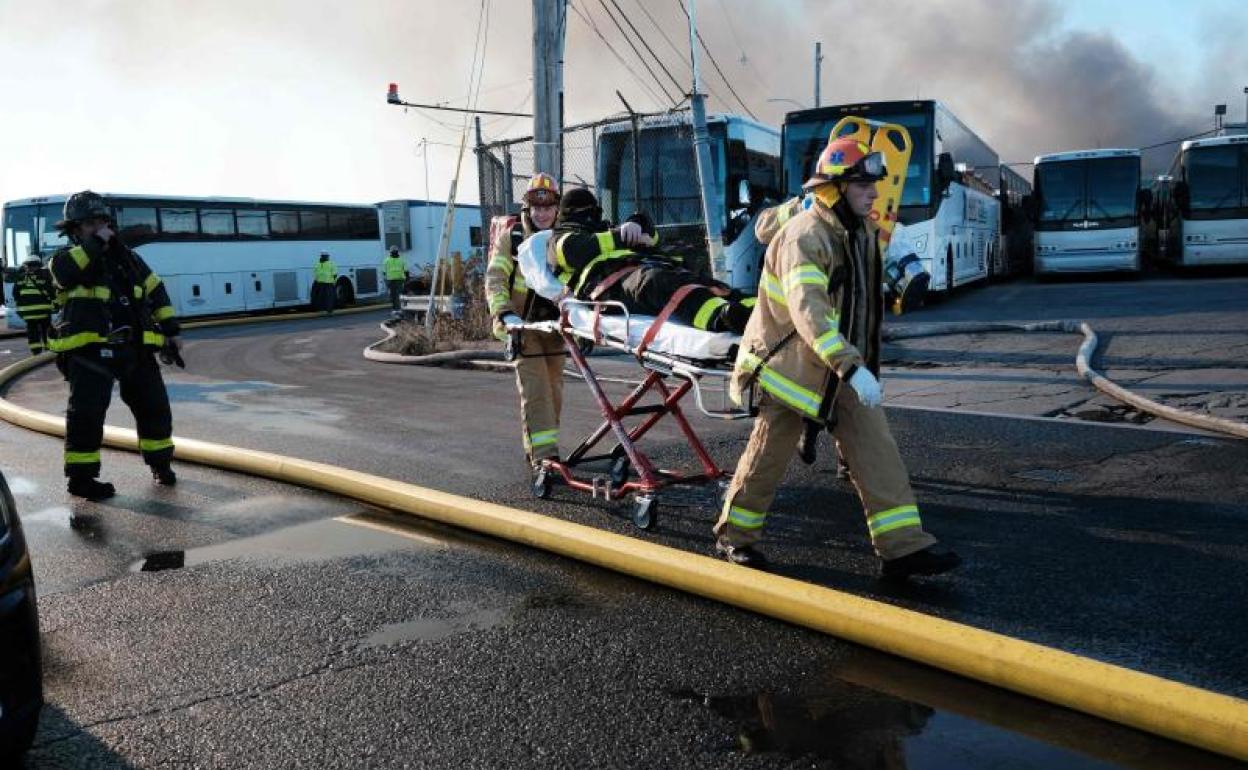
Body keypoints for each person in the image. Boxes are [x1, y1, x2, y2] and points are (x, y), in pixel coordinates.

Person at [715, 137, 960, 578]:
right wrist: (851, 365)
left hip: (840, 369)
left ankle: (902, 549)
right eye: (863, 184)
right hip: (789, 369)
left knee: (877, 449)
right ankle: (735, 538)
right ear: (835, 188)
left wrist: (899, 289)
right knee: (768, 457)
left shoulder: (861, 231)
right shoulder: (804, 237)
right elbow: (809, 312)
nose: (874, 192)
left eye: (874, 184)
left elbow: (860, 299)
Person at [47, 190, 181, 500]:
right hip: (90, 351)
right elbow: (65, 274)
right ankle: (81, 480)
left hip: (135, 348)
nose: (100, 227)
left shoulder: (129, 260)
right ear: (75, 229)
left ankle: (161, 465)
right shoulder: (65, 260)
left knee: (155, 409)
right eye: (91, 223)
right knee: (86, 415)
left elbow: (156, 291)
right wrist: (96, 244)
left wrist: (171, 331)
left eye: (103, 220)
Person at [537, 188, 754, 334]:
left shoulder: (604, 229)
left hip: (642, 269)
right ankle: (721, 318)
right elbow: (575, 251)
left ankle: (756, 310)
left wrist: (636, 222)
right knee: (657, 282)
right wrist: (621, 236)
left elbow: (653, 235)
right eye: (586, 214)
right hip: (609, 284)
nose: (591, 218)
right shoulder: (558, 238)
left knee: (704, 283)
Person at [484, 173, 565, 471]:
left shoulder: (565, 238)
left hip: (555, 328)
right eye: (536, 208)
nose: (542, 213)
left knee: (554, 389)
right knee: (536, 388)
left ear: (557, 208)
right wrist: (504, 313)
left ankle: (541, 446)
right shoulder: (513, 238)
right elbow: (495, 278)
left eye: (548, 207)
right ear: (528, 208)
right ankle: (545, 456)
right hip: (522, 326)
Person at [13, 253, 57, 355]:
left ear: (27, 265)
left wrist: (21, 306)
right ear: (39, 264)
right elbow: (51, 291)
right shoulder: (45, 275)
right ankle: (48, 348)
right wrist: (56, 305)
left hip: (27, 312)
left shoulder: (21, 278)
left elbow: (15, 294)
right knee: (46, 328)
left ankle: (36, 351)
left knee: (32, 331)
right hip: (43, 310)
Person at [382, 246, 407, 312]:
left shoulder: (386, 260)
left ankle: (396, 309)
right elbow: (406, 271)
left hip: (393, 281)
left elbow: (384, 272)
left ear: (390, 252)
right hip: (398, 280)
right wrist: (406, 279)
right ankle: (397, 309)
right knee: (396, 295)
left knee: (394, 295)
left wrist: (386, 281)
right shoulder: (402, 260)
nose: (394, 253)